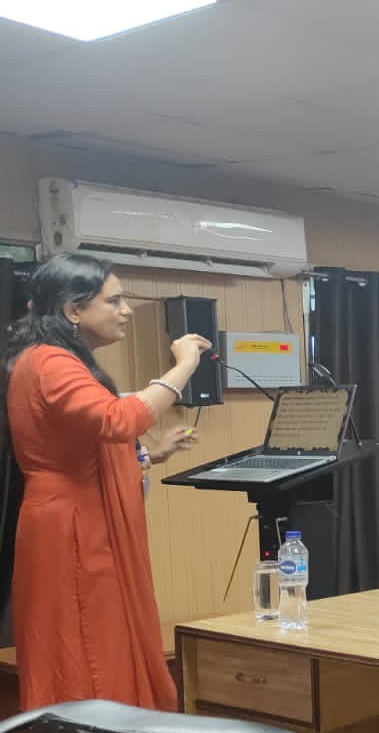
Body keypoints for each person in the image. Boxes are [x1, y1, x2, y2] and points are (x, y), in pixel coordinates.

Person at [3, 254, 214, 711]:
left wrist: (150, 456)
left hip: (76, 519)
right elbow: (118, 420)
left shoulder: (51, 359)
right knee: (91, 649)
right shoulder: (50, 362)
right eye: (114, 301)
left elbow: (81, 446)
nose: (126, 310)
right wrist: (183, 366)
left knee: (103, 641)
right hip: (72, 529)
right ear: (72, 310)